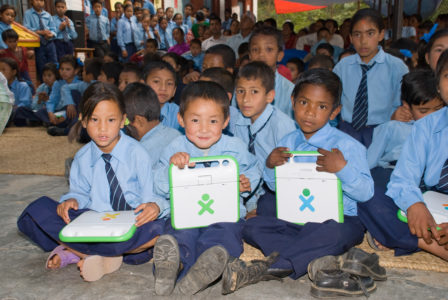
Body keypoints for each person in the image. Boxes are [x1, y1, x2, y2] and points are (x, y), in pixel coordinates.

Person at [242, 68, 375, 296]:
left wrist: (342, 169)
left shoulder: (347, 146)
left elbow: (366, 193)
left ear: (334, 112)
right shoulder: (288, 141)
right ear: (293, 102)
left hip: (338, 220)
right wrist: (271, 166)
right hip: (296, 218)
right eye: (304, 102)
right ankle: (317, 260)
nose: (310, 112)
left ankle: (277, 264)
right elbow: (276, 188)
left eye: (322, 106)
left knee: (338, 233)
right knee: (250, 226)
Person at [17, 82, 167, 282]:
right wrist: (71, 200)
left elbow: (150, 196)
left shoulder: (138, 154)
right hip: (94, 224)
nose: (103, 128)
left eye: (111, 120)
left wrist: (154, 207)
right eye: (95, 120)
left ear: (123, 120)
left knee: (163, 227)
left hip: (132, 226)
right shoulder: (82, 157)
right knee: (35, 211)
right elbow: (79, 192)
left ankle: (80, 251)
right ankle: (103, 254)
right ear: (84, 121)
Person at [152, 81, 267, 296]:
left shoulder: (235, 148)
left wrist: (245, 182)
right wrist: (171, 169)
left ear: (225, 121)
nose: (204, 129)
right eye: (195, 120)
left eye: (213, 121)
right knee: (179, 234)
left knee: (225, 235)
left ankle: (204, 269)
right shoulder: (175, 148)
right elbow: (157, 184)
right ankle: (172, 267)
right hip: (186, 213)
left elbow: (254, 168)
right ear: (181, 120)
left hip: (224, 213)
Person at [357, 49, 448, 261]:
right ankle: (430, 244)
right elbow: (403, 179)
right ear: (438, 86)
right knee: (367, 195)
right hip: (434, 202)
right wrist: (414, 205)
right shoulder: (425, 127)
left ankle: (405, 238)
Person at [333, 8, 409, 148]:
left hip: (382, 130)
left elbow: (404, 104)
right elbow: (332, 100)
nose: (363, 41)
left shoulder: (396, 67)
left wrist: (395, 116)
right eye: (357, 34)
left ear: (381, 35)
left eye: (370, 33)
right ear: (350, 38)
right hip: (347, 130)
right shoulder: (342, 67)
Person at [231, 61, 296, 218]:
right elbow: (240, 163)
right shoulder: (237, 122)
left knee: (266, 215)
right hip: (246, 186)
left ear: (269, 96)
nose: (245, 99)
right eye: (240, 91)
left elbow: (290, 176)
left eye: (254, 92)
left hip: (275, 188)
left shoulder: (281, 125)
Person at [367, 70, 445, 190]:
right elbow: (370, 161)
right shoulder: (393, 127)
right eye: (424, 111)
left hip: (433, 182)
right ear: (407, 106)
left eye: (438, 109)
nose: (432, 116)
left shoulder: (444, 129)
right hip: (392, 174)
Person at [123, 82, 180, 166]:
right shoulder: (177, 135)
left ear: (139, 121)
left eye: (125, 121)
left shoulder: (140, 152)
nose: (123, 125)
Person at [248, 26, 295, 118]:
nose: (261, 54)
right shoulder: (241, 87)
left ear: (280, 55)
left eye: (269, 49)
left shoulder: (290, 90)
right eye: (255, 50)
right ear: (249, 56)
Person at [23, 0, 58, 81]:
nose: (39, 2)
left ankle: (54, 85)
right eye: (36, 0)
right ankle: (44, 86)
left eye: (41, 0)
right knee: (42, 67)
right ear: (32, 2)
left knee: (54, 65)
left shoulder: (47, 15)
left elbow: (54, 29)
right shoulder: (28, 14)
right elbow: (26, 29)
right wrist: (40, 32)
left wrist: (51, 34)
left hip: (50, 43)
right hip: (38, 44)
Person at [143, 60, 180, 131]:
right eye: (156, 81)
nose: (163, 88)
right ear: (143, 84)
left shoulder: (179, 114)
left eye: (169, 83)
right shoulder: (133, 109)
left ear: (174, 90)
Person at [0, 57, 32, 125]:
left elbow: (25, 104)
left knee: (19, 111)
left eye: (3, 70)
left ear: (14, 72)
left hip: (17, 112)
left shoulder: (22, 86)